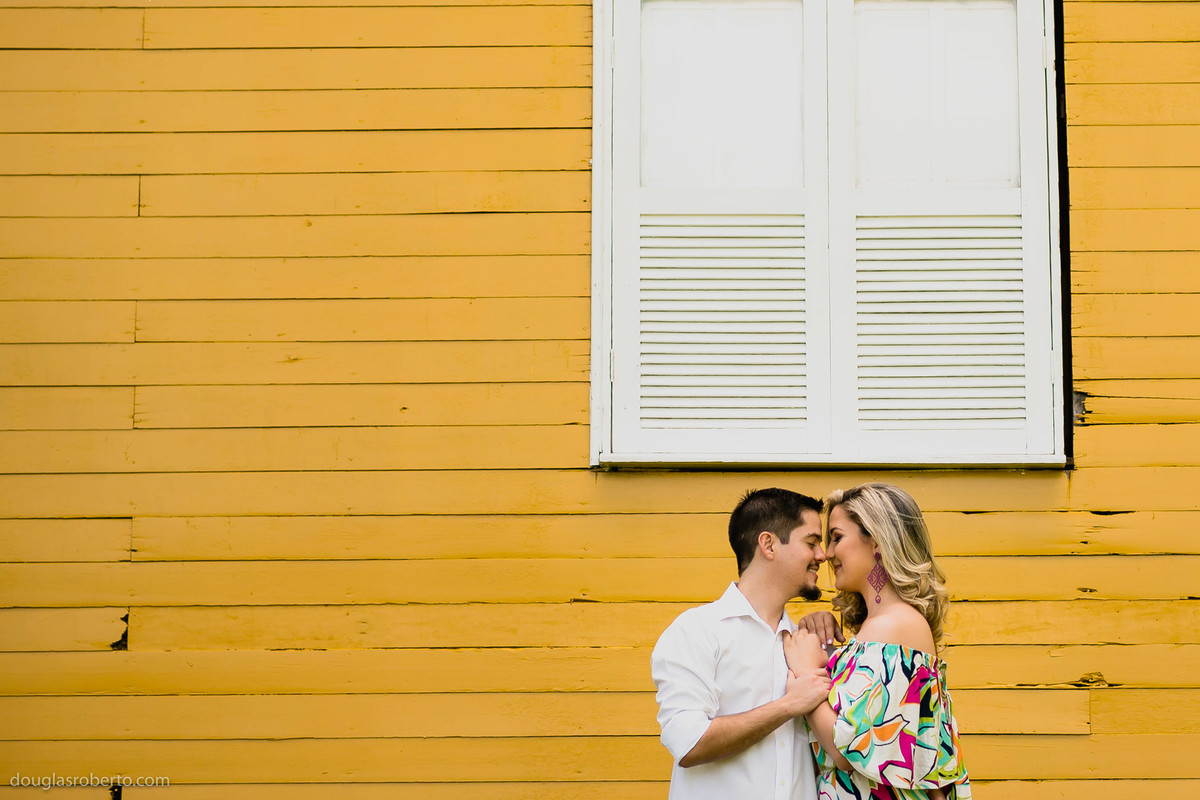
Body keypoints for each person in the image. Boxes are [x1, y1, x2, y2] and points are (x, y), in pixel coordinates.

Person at [783, 483, 971, 800]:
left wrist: (804, 676)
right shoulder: (881, 629)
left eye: (837, 537)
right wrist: (827, 647)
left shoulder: (896, 626)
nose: (827, 554)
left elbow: (849, 752)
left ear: (877, 541)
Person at [651, 487, 837, 800]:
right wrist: (789, 705)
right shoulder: (696, 631)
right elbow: (688, 744)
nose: (822, 555)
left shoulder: (811, 644)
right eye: (811, 543)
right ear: (769, 544)